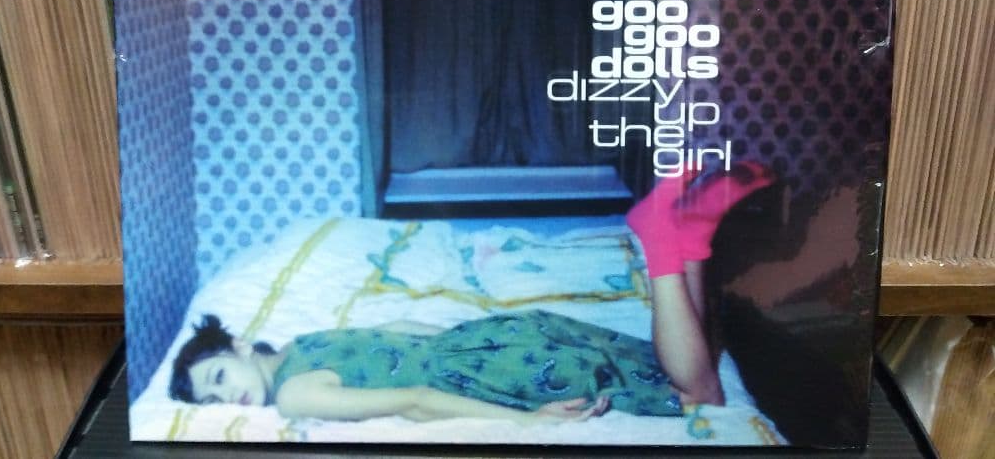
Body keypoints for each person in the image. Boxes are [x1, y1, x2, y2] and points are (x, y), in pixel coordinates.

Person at [169, 161, 774, 424]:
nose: (227, 398)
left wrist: (527, 424)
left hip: (494, 368)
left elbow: (415, 399)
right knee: (682, 361)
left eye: (218, 377)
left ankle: (662, 244)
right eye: (212, 401)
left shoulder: (294, 393)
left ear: (242, 347)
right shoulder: (307, 344)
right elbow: (401, 332)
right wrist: (485, 341)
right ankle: (690, 240)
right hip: (494, 340)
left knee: (701, 395)